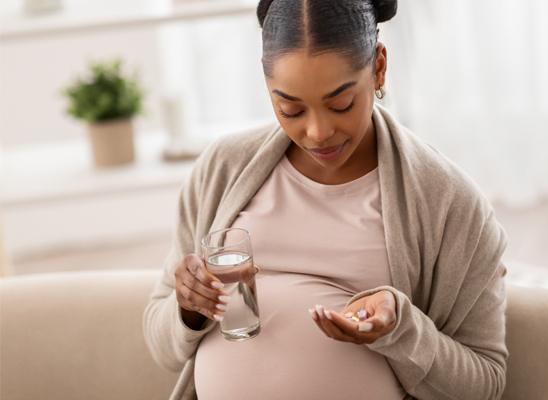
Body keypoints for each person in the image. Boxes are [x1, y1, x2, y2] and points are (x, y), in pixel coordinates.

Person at [143, 0, 510, 399]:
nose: (317, 132)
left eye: (340, 104)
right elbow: (162, 347)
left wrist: (401, 328)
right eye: (291, 108)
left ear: (379, 67)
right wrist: (188, 309)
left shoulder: (450, 202)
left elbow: (484, 384)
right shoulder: (222, 167)